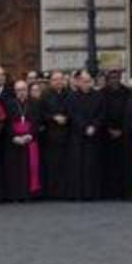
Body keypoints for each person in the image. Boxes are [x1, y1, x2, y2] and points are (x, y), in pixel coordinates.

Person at [2, 80, 42, 202]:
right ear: (15, 92)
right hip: (14, 141)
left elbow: (38, 121)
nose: (21, 93)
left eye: (23, 89)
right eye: (19, 90)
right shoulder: (9, 104)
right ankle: (16, 195)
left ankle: (29, 194)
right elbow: (6, 123)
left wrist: (30, 135)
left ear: (27, 91)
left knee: (30, 167)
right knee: (15, 169)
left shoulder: (35, 103)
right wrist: (14, 137)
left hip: (30, 140)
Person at [67, 70, 104, 201]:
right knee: (78, 166)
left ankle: (91, 194)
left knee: (91, 166)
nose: (86, 84)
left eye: (88, 81)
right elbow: (72, 114)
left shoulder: (98, 96)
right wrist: (84, 127)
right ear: (78, 82)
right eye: (84, 81)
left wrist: (94, 126)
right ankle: (78, 194)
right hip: (78, 136)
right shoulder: (72, 96)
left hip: (93, 136)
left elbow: (101, 114)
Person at [42, 71, 72, 199]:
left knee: (66, 165)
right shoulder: (45, 96)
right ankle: (52, 192)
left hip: (66, 136)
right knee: (52, 165)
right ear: (51, 82)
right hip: (51, 136)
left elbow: (74, 111)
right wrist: (54, 117)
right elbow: (42, 113)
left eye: (60, 79)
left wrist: (66, 118)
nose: (58, 82)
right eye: (55, 80)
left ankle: (65, 192)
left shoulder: (70, 95)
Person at [100, 70, 130, 200]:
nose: (114, 80)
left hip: (123, 134)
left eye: (116, 78)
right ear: (108, 79)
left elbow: (129, 113)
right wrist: (109, 129)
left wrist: (121, 129)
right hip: (106, 135)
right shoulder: (101, 93)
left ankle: (122, 191)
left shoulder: (127, 93)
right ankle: (108, 192)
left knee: (122, 165)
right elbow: (100, 113)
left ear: (120, 78)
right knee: (108, 165)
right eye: (111, 78)